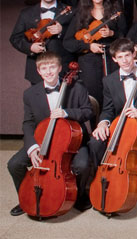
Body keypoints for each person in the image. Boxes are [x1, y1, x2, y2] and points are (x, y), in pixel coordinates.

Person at [7, 52, 94, 216]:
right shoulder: (30, 93)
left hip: (72, 140)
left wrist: (67, 113)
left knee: (82, 165)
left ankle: (80, 195)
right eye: (44, 68)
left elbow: (88, 112)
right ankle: (25, 197)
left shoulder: (77, 87)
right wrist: (32, 146)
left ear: (60, 68)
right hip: (42, 140)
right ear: (38, 71)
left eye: (52, 67)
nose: (48, 72)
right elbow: (28, 123)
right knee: (14, 164)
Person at [88, 38, 137, 182]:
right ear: (114, 59)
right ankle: (104, 177)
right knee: (95, 143)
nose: (125, 61)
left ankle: (131, 180)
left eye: (127, 55)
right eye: (120, 57)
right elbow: (108, 109)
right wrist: (103, 123)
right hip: (119, 126)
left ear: (134, 53)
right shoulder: (109, 81)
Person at [63, 0, 126, 101]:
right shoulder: (80, 13)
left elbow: (125, 36)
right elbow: (68, 42)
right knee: (94, 98)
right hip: (89, 62)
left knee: (115, 97)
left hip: (112, 59)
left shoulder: (115, 11)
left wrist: (112, 33)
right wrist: (88, 46)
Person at [10, 0, 75, 85]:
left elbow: (78, 37)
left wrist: (62, 32)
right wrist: (30, 47)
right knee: (40, 101)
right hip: (37, 69)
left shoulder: (71, 11)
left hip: (63, 66)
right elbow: (15, 38)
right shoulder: (26, 14)